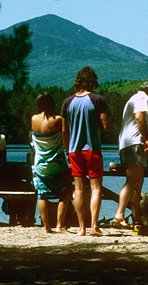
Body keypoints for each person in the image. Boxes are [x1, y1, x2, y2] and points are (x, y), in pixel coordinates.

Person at [61, 67, 111, 236]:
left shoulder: (67, 103)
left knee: (79, 189)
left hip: (74, 150)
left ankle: (81, 228)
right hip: (92, 148)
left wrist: (67, 150)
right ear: (93, 81)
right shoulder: (97, 100)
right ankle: (94, 226)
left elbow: (64, 131)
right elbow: (106, 126)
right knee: (96, 188)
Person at [112, 81, 148, 228]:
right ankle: (119, 215)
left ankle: (136, 217)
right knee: (132, 180)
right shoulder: (142, 98)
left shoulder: (135, 98)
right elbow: (139, 117)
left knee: (137, 183)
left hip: (129, 143)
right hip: (135, 143)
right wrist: (146, 139)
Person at [30, 92, 73, 233]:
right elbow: (66, 135)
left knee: (42, 195)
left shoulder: (33, 119)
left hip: (40, 164)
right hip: (57, 163)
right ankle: (60, 225)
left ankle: (46, 227)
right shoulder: (58, 120)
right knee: (65, 193)